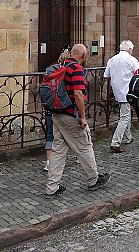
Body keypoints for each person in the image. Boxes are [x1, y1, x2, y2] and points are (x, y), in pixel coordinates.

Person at [46, 44, 109, 196]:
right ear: (83, 56)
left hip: (56, 113)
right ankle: (93, 179)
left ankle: (52, 187)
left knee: (58, 151)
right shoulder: (76, 69)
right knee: (84, 146)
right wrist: (82, 117)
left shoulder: (60, 66)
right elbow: (78, 94)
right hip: (70, 115)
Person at [104, 40, 139, 153]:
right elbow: (138, 74)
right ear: (129, 49)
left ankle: (128, 136)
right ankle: (115, 142)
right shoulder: (132, 59)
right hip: (128, 91)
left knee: (125, 113)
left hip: (117, 91)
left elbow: (106, 76)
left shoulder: (112, 59)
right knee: (124, 117)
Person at [43, 48, 71, 172]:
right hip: (63, 108)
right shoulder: (69, 71)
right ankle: (77, 157)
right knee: (69, 134)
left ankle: (49, 162)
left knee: (50, 134)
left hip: (50, 106)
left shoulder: (50, 70)